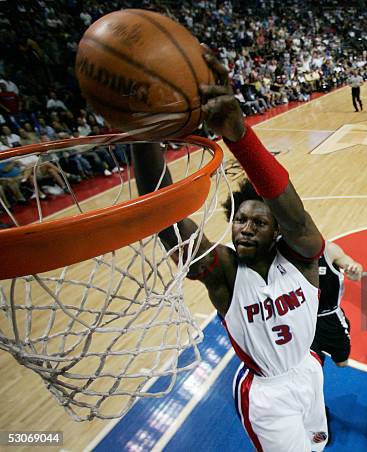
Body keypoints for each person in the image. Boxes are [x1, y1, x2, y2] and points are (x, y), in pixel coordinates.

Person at [134, 48, 328, 452]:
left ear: (276, 231)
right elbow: (166, 216)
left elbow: (296, 218)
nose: (246, 228)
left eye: (259, 222)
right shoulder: (224, 270)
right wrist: (145, 134)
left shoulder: (302, 258)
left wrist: (240, 135)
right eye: (241, 220)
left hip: (309, 370)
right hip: (267, 394)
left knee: (317, 444)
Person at [311, 241, 363, 367]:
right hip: (303, 319)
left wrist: (356, 271)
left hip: (330, 318)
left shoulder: (328, 250)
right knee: (312, 365)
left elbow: (355, 270)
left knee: (341, 362)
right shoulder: (286, 254)